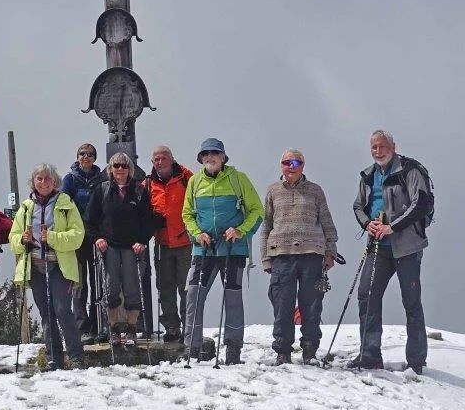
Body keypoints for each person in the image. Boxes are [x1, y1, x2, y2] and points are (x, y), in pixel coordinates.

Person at [351, 129, 431, 374]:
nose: (378, 151)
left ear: (393, 146)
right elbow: (358, 206)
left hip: (407, 247)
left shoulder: (410, 170)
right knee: (367, 295)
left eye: (383, 146)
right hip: (377, 247)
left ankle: (416, 362)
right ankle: (369, 356)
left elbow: (422, 203)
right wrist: (368, 223)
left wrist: (391, 227)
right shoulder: (367, 175)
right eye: (374, 147)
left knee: (411, 302)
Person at [181, 138, 264, 365]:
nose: (210, 157)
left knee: (233, 298)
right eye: (206, 154)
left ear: (223, 157)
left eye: (215, 153)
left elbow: (257, 211)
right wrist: (197, 233)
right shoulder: (195, 182)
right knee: (194, 296)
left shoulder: (239, 179)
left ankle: (233, 350)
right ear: (201, 158)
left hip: (232, 249)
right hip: (203, 249)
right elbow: (187, 214)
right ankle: (192, 348)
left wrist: (240, 231)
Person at [260, 148, 339, 364]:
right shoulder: (272, 191)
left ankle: (310, 351)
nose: (291, 167)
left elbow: (327, 222)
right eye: (287, 162)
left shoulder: (315, 191)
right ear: (281, 165)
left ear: (303, 165)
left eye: (296, 163)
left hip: (312, 255)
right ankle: (282, 351)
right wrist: (265, 258)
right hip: (281, 256)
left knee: (311, 305)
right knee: (282, 305)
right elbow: (266, 226)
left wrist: (330, 251)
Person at [10, 163, 86, 370]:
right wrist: (22, 240)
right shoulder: (26, 207)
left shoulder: (66, 203)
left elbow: (78, 235)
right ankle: (54, 357)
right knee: (46, 313)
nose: (43, 182)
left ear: (55, 181)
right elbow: (13, 237)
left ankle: (76, 356)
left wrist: (51, 237)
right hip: (35, 266)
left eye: (47, 179)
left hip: (59, 266)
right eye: (39, 179)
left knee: (62, 310)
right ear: (33, 182)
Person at [82, 151, 155, 345]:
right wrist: (97, 238)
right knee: (110, 289)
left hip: (133, 247)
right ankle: (113, 329)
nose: (120, 169)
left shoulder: (140, 192)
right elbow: (89, 219)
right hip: (109, 248)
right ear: (110, 169)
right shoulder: (101, 190)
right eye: (116, 166)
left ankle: (131, 330)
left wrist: (143, 240)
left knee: (132, 290)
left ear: (130, 169)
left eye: (124, 165)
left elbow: (148, 221)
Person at [143, 145, 193, 342]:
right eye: (156, 159)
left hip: (185, 242)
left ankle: (189, 327)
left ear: (172, 159)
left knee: (186, 287)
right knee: (165, 287)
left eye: (164, 158)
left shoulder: (187, 178)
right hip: (162, 243)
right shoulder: (147, 184)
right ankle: (172, 327)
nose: (160, 162)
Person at [61, 142, 106, 342]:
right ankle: (81, 326)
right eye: (82, 154)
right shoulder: (70, 179)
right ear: (77, 157)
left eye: (89, 154)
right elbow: (64, 205)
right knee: (79, 283)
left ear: (94, 157)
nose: (85, 157)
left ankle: (98, 324)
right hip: (77, 237)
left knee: (98, 282)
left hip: (96, 235)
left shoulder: (102, 178)